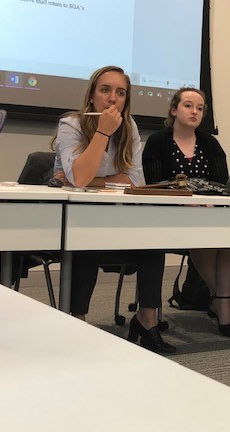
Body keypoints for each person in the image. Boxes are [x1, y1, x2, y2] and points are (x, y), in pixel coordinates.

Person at [52, 65, 175, 354]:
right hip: (77, 222)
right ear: (92, 95)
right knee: (85, 239)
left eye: (120, 93)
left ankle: (147, 321)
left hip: (116, 216)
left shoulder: (129, 127)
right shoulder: (71, 123)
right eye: (105, 90)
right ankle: (77, 321)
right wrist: (103, 134)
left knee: (153, 242)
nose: (112, 99)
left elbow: (134, 181)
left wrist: (91, 180)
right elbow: (80, 178)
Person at [142, 87, 230, 338]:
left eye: (200, 108)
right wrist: (186, 202)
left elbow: (223, 184)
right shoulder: (158, 141)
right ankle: (223, 302)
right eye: (188, 105)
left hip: (210, 211)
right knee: (202, 235)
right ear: (173, 109)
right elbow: (155, 185)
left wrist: (210, 202)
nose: (195, 112)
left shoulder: (210, 143)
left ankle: (220, 300)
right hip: (172, 214)